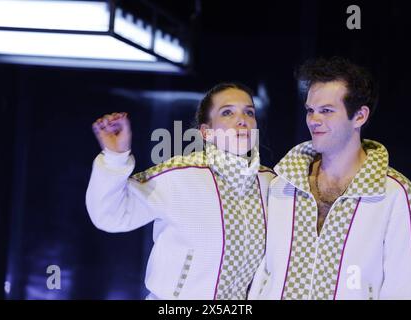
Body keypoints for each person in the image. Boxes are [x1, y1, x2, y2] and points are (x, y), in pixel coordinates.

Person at [249, 57, 411, 300]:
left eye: (326, 111)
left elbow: (408, 290)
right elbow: (261, 273)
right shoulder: (282, 185)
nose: (314, 120)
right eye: (310, 110)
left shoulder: (395, 194)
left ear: (360, 116)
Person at [86, 83, 276, 299]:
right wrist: (115, 157)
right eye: (227, 112)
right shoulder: (180, 175)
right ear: (207, 132)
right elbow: (111, 216)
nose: (242, 120)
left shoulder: (272, 184)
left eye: (249, 112)